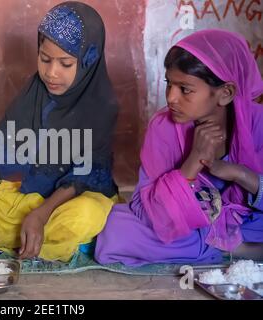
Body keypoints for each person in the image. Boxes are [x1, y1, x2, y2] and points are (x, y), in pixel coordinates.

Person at [0, 1, 120, 262]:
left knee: (84, 216)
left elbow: (83, 176)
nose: (51, 73)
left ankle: (13, 237)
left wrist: (41, 214)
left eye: (65, 64)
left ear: (87, 62)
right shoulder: (35, 91)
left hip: (74, 198)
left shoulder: (102, 105)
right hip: (32, 196)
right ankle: (30, 241)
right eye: (44, 59)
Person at [95, 29, 263, 266]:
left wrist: (240, 174)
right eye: (169, 84)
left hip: (246, 223)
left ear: (225, 93)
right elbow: (146, 211)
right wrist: (192, 164)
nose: (171, 98)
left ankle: (222, 246)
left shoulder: (258, 122)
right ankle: (236, 249)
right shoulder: (164, 127)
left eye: (185, 89)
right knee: (117, 230)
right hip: (190, 226)